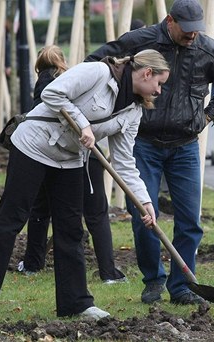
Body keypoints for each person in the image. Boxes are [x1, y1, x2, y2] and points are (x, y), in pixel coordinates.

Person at [0, 49, 170, 322]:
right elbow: (52, 93)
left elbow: (124, 163)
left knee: (71, 229)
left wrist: (144, 201)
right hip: (33, 146)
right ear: (146, 73)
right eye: (159, 83)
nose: (159, 91)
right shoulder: (98, 72)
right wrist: (83, 124)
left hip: (69, 159)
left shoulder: (133, 111)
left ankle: (75, 303)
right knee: (11, 219)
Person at [86, 0, 214, 305]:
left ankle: (182, 287)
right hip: (143, 142)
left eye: (197, 30)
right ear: (170, 20)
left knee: (189, 219)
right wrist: (117, 102)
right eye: (187, 30)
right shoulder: (140, 41)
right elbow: (96, 62)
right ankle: (153, 280)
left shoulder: (209, 51)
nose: (192, 36)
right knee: (144, 213)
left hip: (185, 145)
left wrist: (206, 116)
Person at [19, 45, 127, 284]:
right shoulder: (69, 81)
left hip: (60, 152)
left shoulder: (45, 83)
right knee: (97, 212)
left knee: (41, 208)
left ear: (39, 64)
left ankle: (32, 263)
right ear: (62, 63)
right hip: (88, 151)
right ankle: (108, 271)